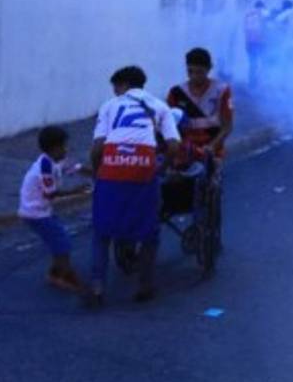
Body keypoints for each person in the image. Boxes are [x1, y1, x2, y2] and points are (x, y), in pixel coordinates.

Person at [87, 65, 179, 307]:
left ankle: (97, 287)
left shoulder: (109, 105)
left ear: (123, 84)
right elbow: (173, 146)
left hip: (112, 168)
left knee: (101, 230)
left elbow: (97, 149)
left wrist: (98, 174)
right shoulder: (159, 106)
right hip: (143, 169)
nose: (115, 92)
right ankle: (145, 285)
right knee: (149, 231)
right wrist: (161, 169)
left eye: (115, 87)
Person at [18, 125, 88, 292]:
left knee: (58, 239)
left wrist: (98, 174)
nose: (66, 149)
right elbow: (50, 194)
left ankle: (56, 271)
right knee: (62, 242)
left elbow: (75, 168)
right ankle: (65, 275)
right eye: (63, 146)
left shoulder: (55, 160)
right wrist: (76, 191)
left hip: (41, 210)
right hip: (35, 213)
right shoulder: (45, 167)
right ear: (54, 149)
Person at [167, 47, 235, 167]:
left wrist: (211, 147)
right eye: (190, 72)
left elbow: (227, 126)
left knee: (211, 173)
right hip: (185, 150)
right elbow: (168, 126)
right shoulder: (176, 92)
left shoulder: (221, 90)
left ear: (209, 69)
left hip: (212, 149)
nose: (194, 76)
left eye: (199, 72)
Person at [243, 1, 266, 87]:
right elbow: (264, 27)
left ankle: (251, 82)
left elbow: (245, 29)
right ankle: (260, 82)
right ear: (261, 7)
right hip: (260, 41)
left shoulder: (247, 15)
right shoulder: (262, 13)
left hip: (249, 42)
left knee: (252, 63)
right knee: (263, 62)